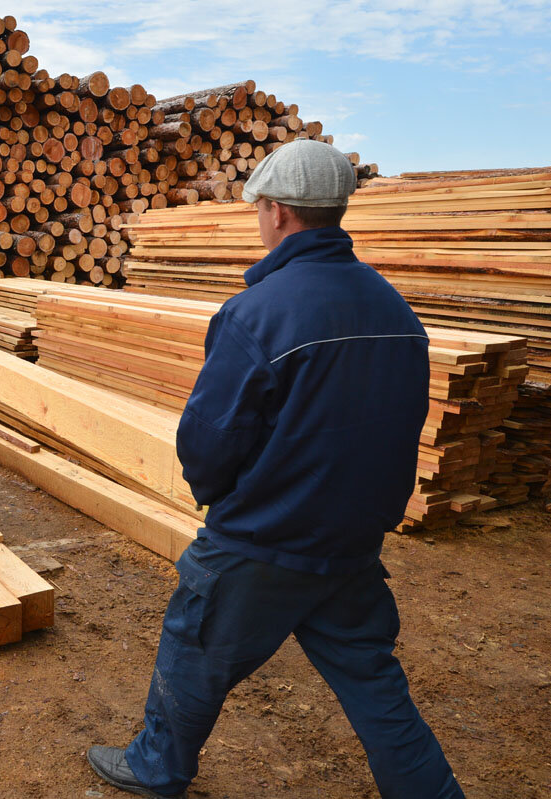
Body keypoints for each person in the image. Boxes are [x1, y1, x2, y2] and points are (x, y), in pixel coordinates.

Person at [86, 140, 466, 799]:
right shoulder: (396, 312)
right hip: (350, 544)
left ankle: (156, 765)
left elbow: (210, 439)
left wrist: (221, 501)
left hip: (263, 538)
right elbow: (400, 426)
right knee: (374, 679)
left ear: (278, 211)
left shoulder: (257, 312)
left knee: (194, 643)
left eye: (259, 209)